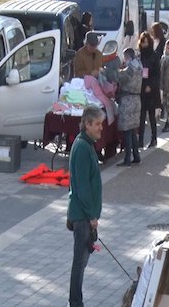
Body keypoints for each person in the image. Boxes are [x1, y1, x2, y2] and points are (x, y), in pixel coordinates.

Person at [67, 106, 104, 307]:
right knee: (79, 262)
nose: (101, 128)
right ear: (87, 124)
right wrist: (91, 216)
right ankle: (75, 302)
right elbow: (82, 187)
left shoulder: (87, 145)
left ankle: (76, 301)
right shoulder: (82, 147)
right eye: (97, 124)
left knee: (82, 262)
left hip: (85, 214)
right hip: (82, 216)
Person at [116, 48, 143, 167]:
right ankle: (136, 156)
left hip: (128, 100)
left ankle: (127, 159)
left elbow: (119, 78)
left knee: (127, 130)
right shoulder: (139, 65)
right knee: (133, 130)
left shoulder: (130, 69)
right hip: (137, 99)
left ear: (127, 57)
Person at [138, 33, 160, 148]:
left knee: (151, 116)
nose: (144, 45)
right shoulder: (139, 56)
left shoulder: (154, 56)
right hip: (141, 88)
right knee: (141, 116)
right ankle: (140, 140)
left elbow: (157, 75)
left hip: (151, 90)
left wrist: (150, 86)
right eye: (143, 42)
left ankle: (154, 138)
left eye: (146, 42)